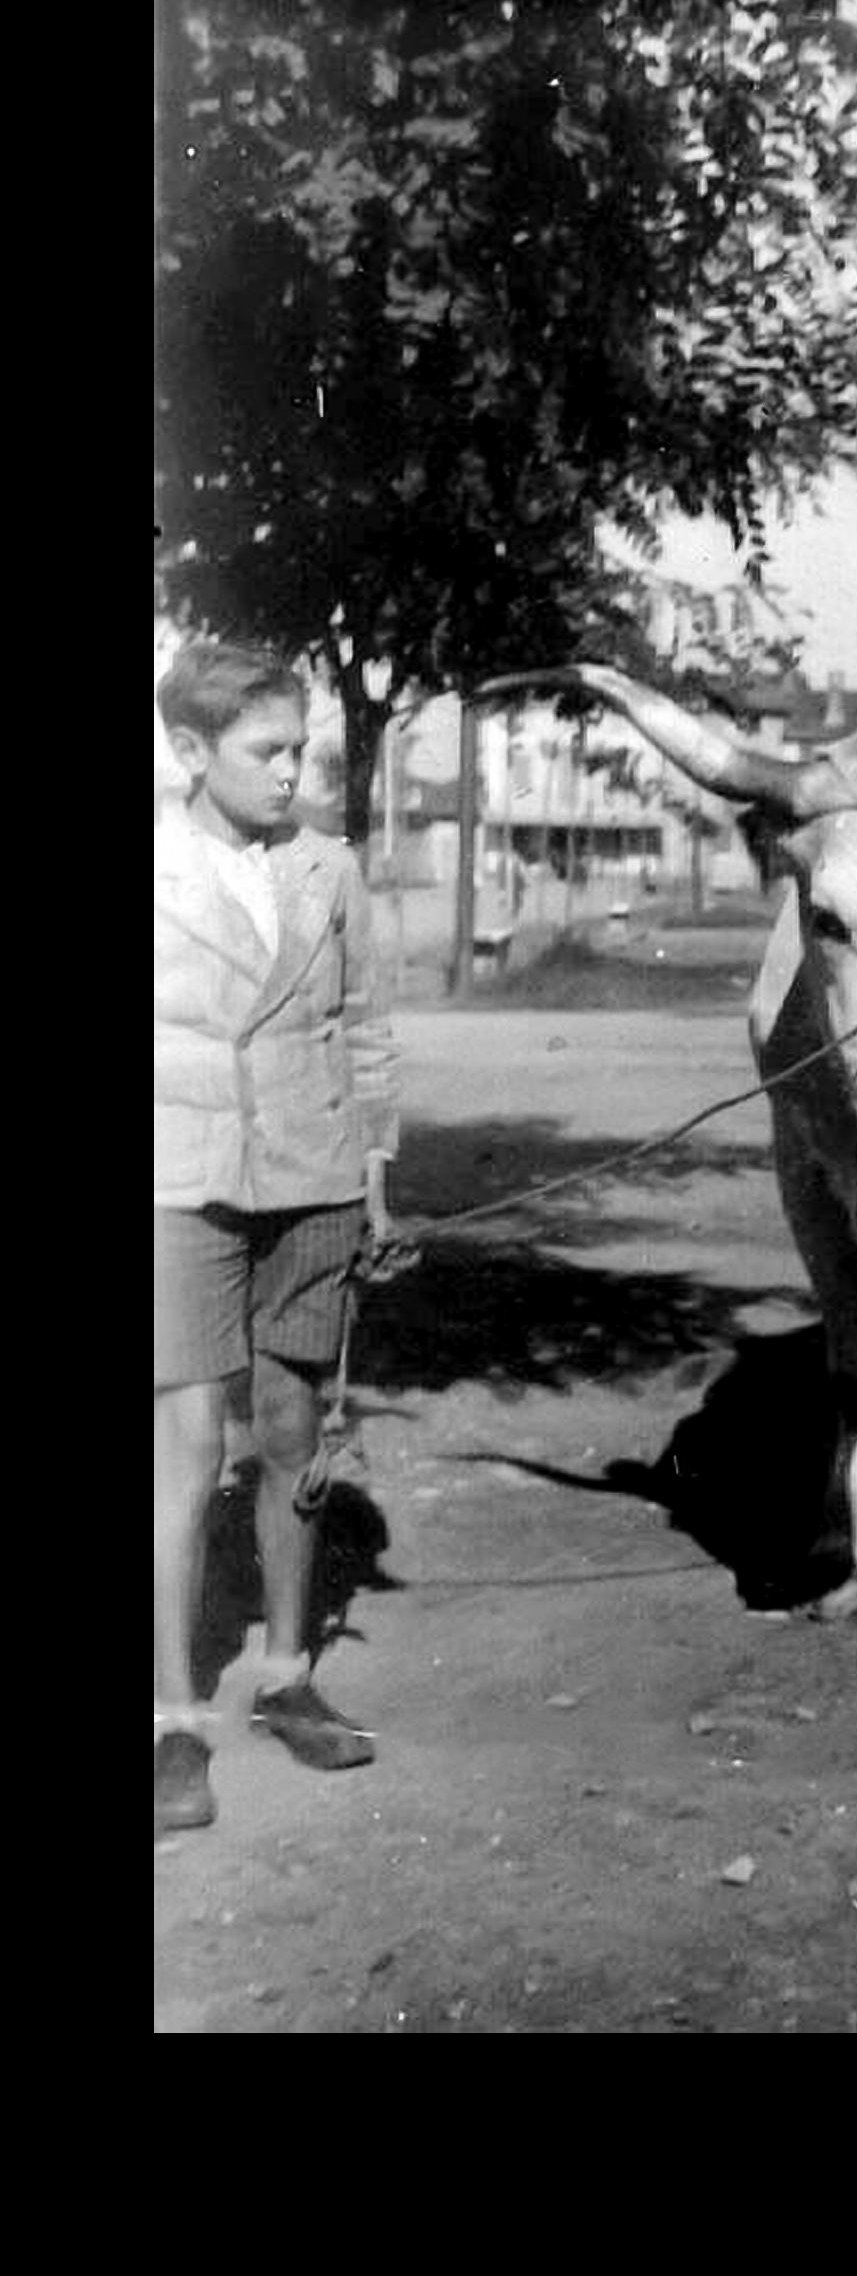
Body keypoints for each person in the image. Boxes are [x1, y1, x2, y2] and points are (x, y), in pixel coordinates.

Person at [154, 641, 401, 1835]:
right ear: (191, 752)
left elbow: (364, 1031)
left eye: (301, 750)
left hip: (311, 1183)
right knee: (189, 1443)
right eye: (267, 753)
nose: (292, 772)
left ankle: (288, 1673)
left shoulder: (328, 871)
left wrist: (377, 1174)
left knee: (295, 1425)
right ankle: (173, 1721)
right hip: (181, 1185)